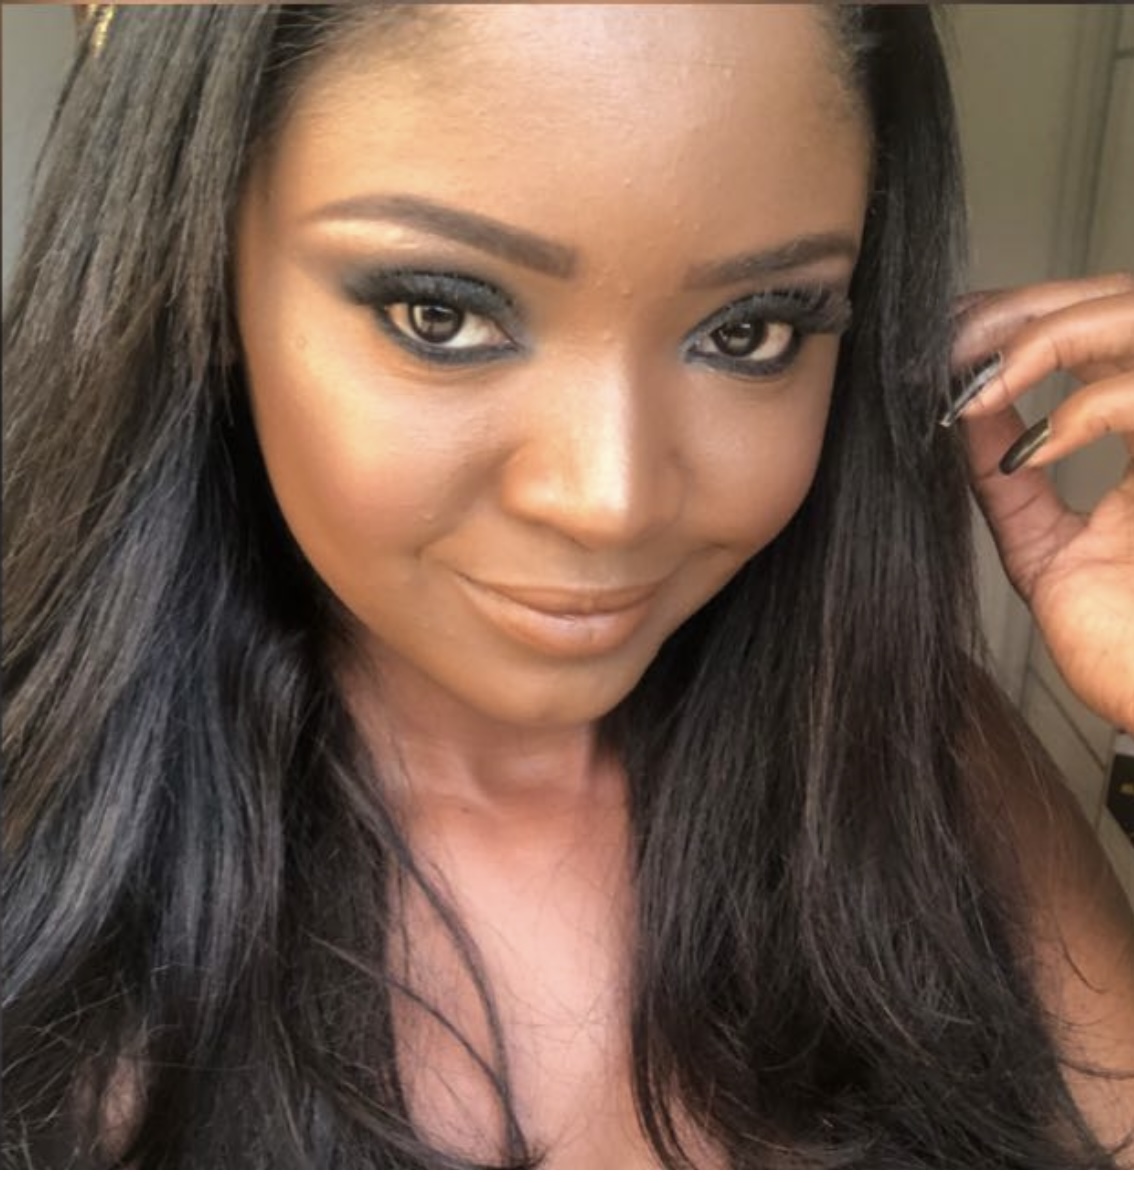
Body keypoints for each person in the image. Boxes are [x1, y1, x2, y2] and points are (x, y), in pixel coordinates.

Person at [2, 3, 1133, 1169]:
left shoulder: (914, 762)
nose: (613, 501)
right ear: (202, 267)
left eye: (752, 331)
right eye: (441, 313)